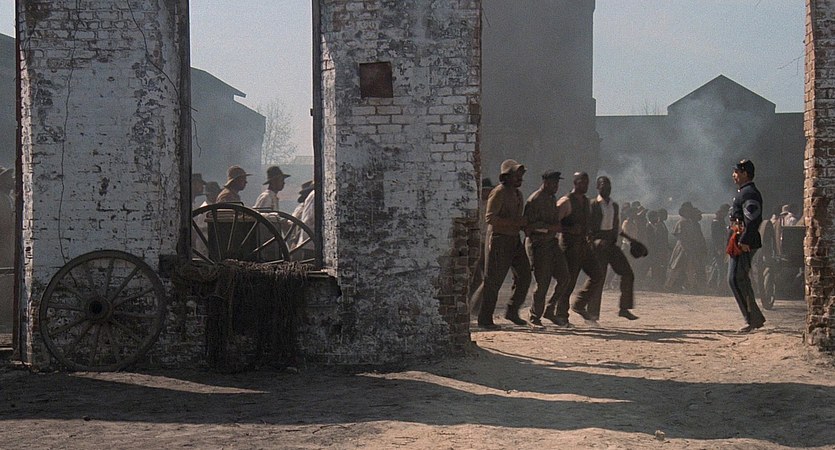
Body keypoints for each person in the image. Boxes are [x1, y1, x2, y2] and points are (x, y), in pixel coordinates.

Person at [472, 159, 531, 329]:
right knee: (493, 281)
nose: (520, 178)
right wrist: (516, 222)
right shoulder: (498, 192)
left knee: (525, 275)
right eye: (516, 175)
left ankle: (512, 311)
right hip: (499, 240)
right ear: (506, 177)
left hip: (514, 240)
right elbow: (490, 218)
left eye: (521, 175)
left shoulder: (518, 194)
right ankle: (484, 319)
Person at [544, 172, 604, 327]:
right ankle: (561, 315)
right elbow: (553, 223)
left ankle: (579, 303)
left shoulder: (586, 201)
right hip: (569, 247)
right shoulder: (565, 201)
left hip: (583, 245)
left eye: (587, 182)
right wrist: (569, 229)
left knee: (597, 274)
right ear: (575, 182)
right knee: (568, 282)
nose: (585, 185)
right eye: (582, 182)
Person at [523, 170, 570, 327]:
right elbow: (528, 226)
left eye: (557, 183)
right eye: (553, 183)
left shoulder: (552, 198)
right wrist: (550, 227)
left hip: (551, 243)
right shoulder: (535, 200)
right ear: (545, 183)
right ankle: (534, 316)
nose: (556, 186)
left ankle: (550, 309)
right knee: (542, 282)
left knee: (564, 277)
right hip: (538, 244)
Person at [589, 176, 638, 320]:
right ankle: (592, 313)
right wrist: (593, 242)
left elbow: (616, 227)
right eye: (603, 185)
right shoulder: (593, 205)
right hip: (598, 243)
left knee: (628, 273)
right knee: (598, 278)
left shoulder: (614, 206)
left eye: (609, 186)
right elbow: (588, 226)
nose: (607, 188)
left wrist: (630, 239)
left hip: (610, 242)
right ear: (598, 187)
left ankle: (624, 308)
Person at [728, 159, 766, 333]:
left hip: (743, 242)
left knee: (737, 278)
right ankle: (753, 317)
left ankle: (752, 318)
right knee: (738, 278)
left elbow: (752, 219)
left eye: (736, 172)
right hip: (739, 239)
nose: (734, 175)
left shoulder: (749, 193)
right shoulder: (744, 192)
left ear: (745, 173)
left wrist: (744, 240)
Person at [468, 177, 496, 314]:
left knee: (486, 276)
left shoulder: (491, 204)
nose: (487, 193)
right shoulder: (477, 205)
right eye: (485, 190)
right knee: (474, 276)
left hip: (486, 242)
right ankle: (471, 304)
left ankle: (476, 306)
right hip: (477, 243)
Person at [666, 201, 707, 293]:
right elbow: (680, 237)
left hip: (689, 248)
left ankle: (691, 287)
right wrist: (686, 248)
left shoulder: (689, 222)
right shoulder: (681, 222)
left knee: (690, 268)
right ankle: (668, 285)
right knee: (676, 268)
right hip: (682, 248)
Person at [708, 204, 731, 293]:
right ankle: (720, 288)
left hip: (722, 246)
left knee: (718, 267)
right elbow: (716, 237)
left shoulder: (720, 221)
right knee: (721, 268)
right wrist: (718, 248)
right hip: (719, 248)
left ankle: (712, 284)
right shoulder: (716, 222)